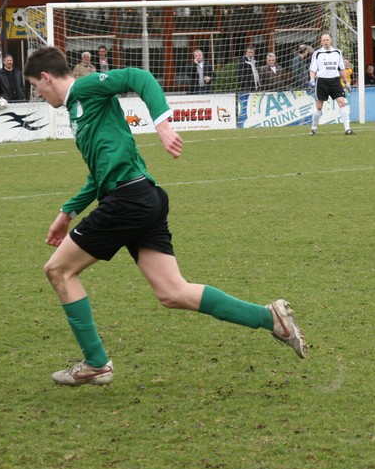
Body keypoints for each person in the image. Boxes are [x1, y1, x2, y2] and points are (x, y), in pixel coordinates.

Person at [22, 46, 308, 386]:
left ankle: (96, 362)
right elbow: (100, 175)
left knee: (58, 270)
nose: (38, 95)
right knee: (173, 292)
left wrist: (162, 125)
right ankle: (270, 317)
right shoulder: (77, 109)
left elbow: (138, 76)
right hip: (142, 196)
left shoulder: (84, 87)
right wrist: (67, 212)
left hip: (128, 200)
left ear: (46, 77)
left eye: (35, 87)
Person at [307, 32, 354, 136]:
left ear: (330, 40)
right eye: (323, 40)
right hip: (322, 81)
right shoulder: (317, 53)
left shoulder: (337, 52)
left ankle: (348, 128)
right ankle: (314, 128)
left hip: (335, 81)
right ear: (321, 42)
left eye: (327, 40)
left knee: (342, 103)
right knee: (319, 106)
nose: (326, 42)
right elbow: (313, 68)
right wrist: (312, 79)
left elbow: (341, 68)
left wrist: (346, 82)